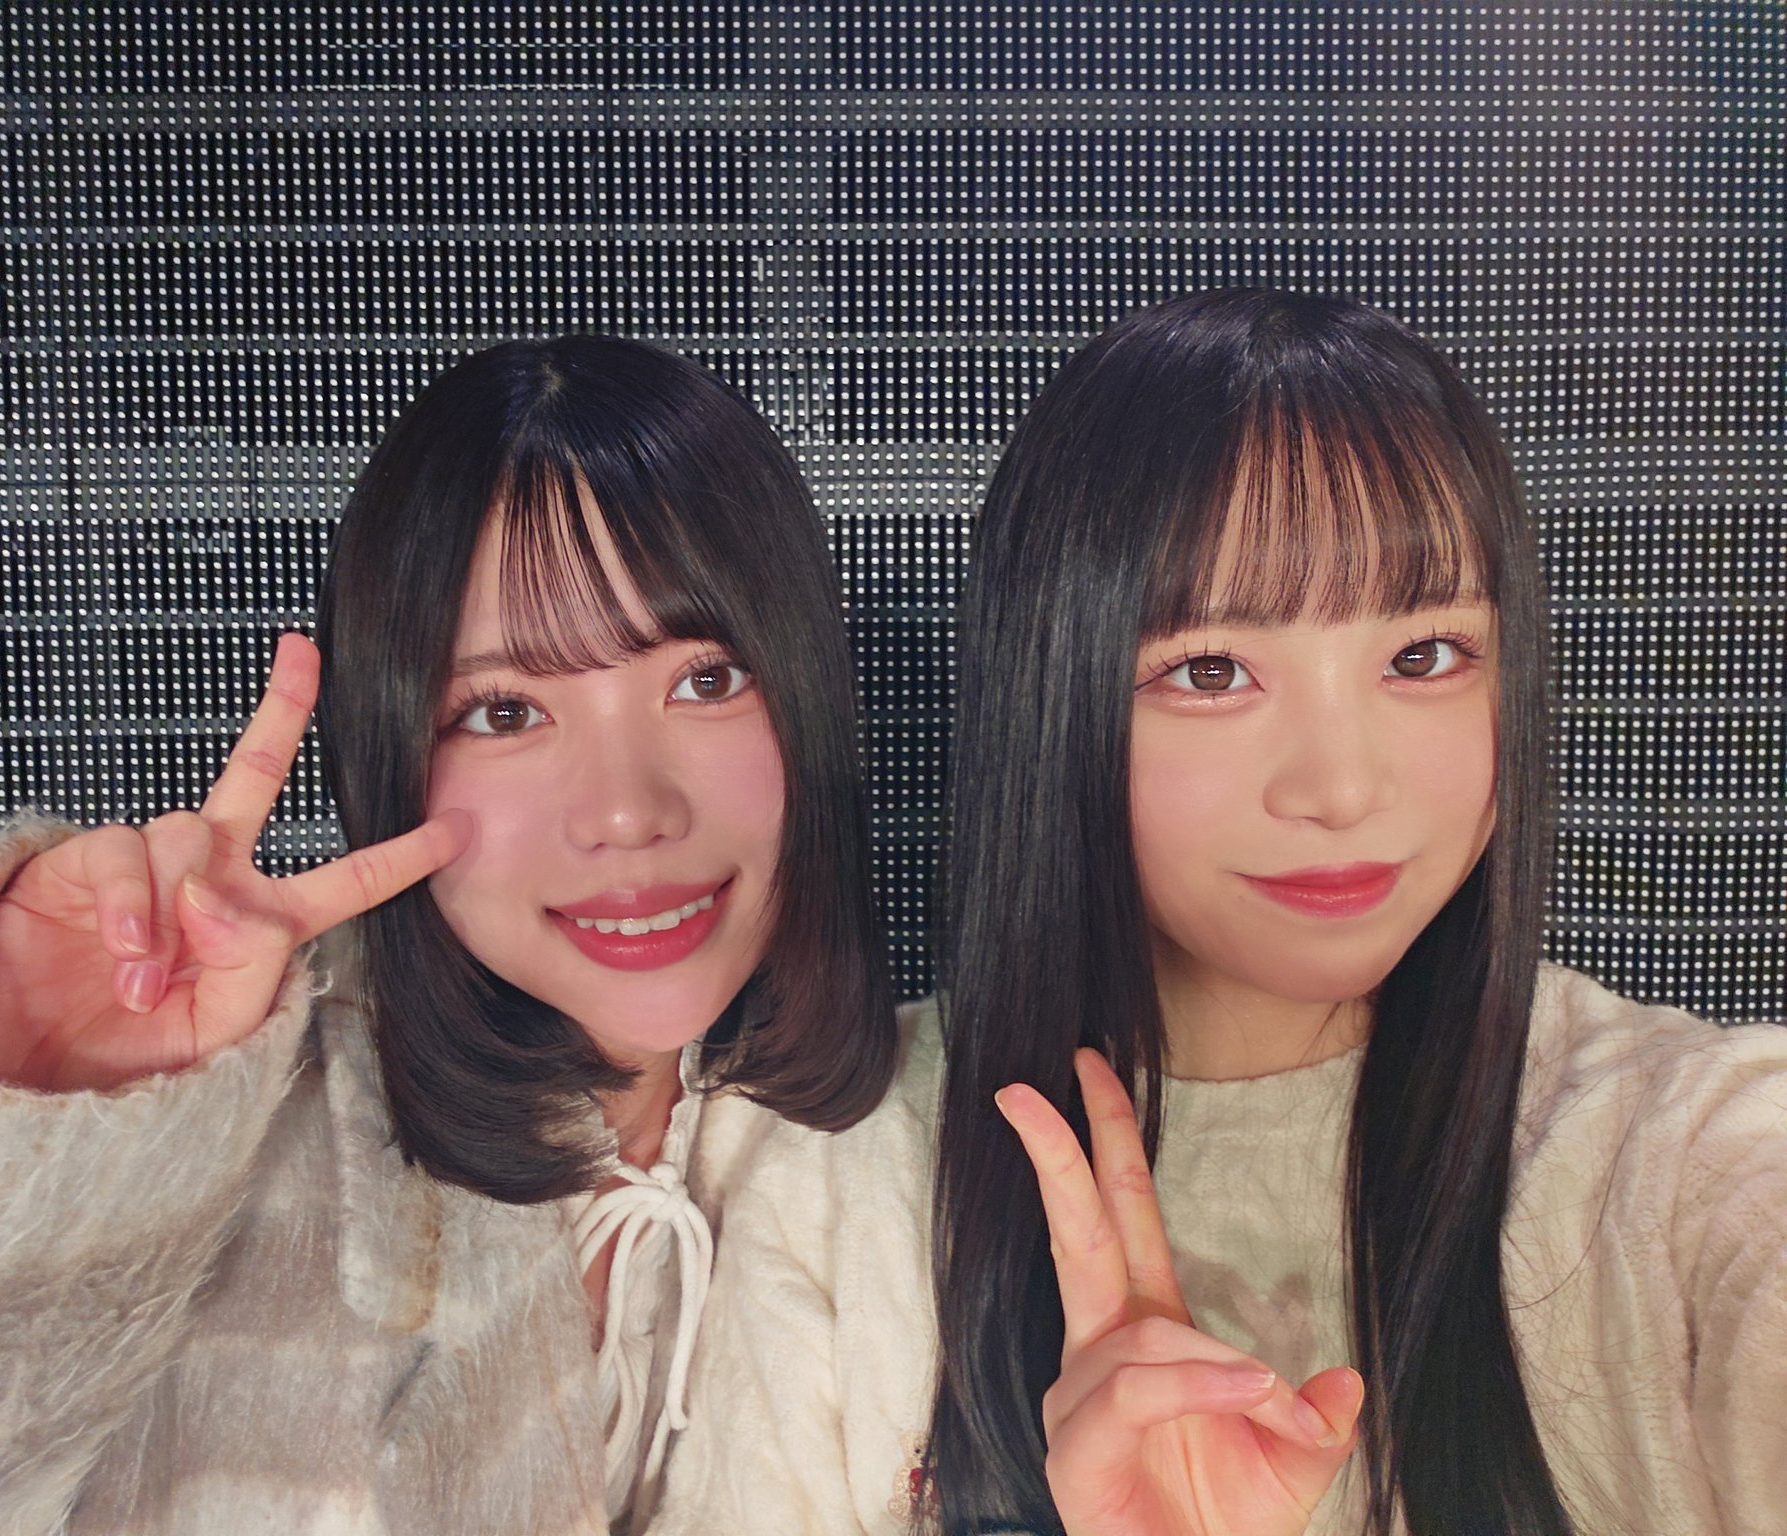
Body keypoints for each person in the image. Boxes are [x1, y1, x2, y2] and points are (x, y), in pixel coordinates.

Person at [652, 290, 1787, 1536]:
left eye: (1421, 657)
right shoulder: (830, 1164)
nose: (1339, 789)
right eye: (1209, 671)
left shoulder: (1689, 1148)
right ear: (1055, 696)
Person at [0, 335, 898, 1536]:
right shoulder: (232, 1138)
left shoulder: (900, 1156)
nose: (627, 811)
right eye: (505, 711)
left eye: (705, 681)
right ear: (386, 749)